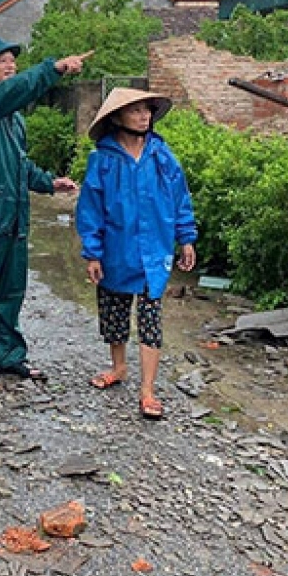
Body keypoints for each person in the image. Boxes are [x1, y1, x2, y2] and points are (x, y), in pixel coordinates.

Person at [0, 37, 89, 393]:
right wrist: (51, 69)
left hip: (13, 217)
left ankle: (9, 356)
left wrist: (47, 182)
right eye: (3, 61)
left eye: (13, 61)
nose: (11, 66)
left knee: (11, 292)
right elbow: (8, 95)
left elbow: (18, 164)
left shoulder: (14, 120)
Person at [75, 88, 197, 420]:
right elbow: (91, 210)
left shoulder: (162, 156)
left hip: (154, 250)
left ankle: (148, 390)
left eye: (147, 111)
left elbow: (180, 199)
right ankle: (118, 367)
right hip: (117, 249)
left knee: (150, 317)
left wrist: (186, 239)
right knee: (114, 312)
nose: (144, 116)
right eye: (136, 111)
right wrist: (93, 253)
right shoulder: (102, 160)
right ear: (117, 117)